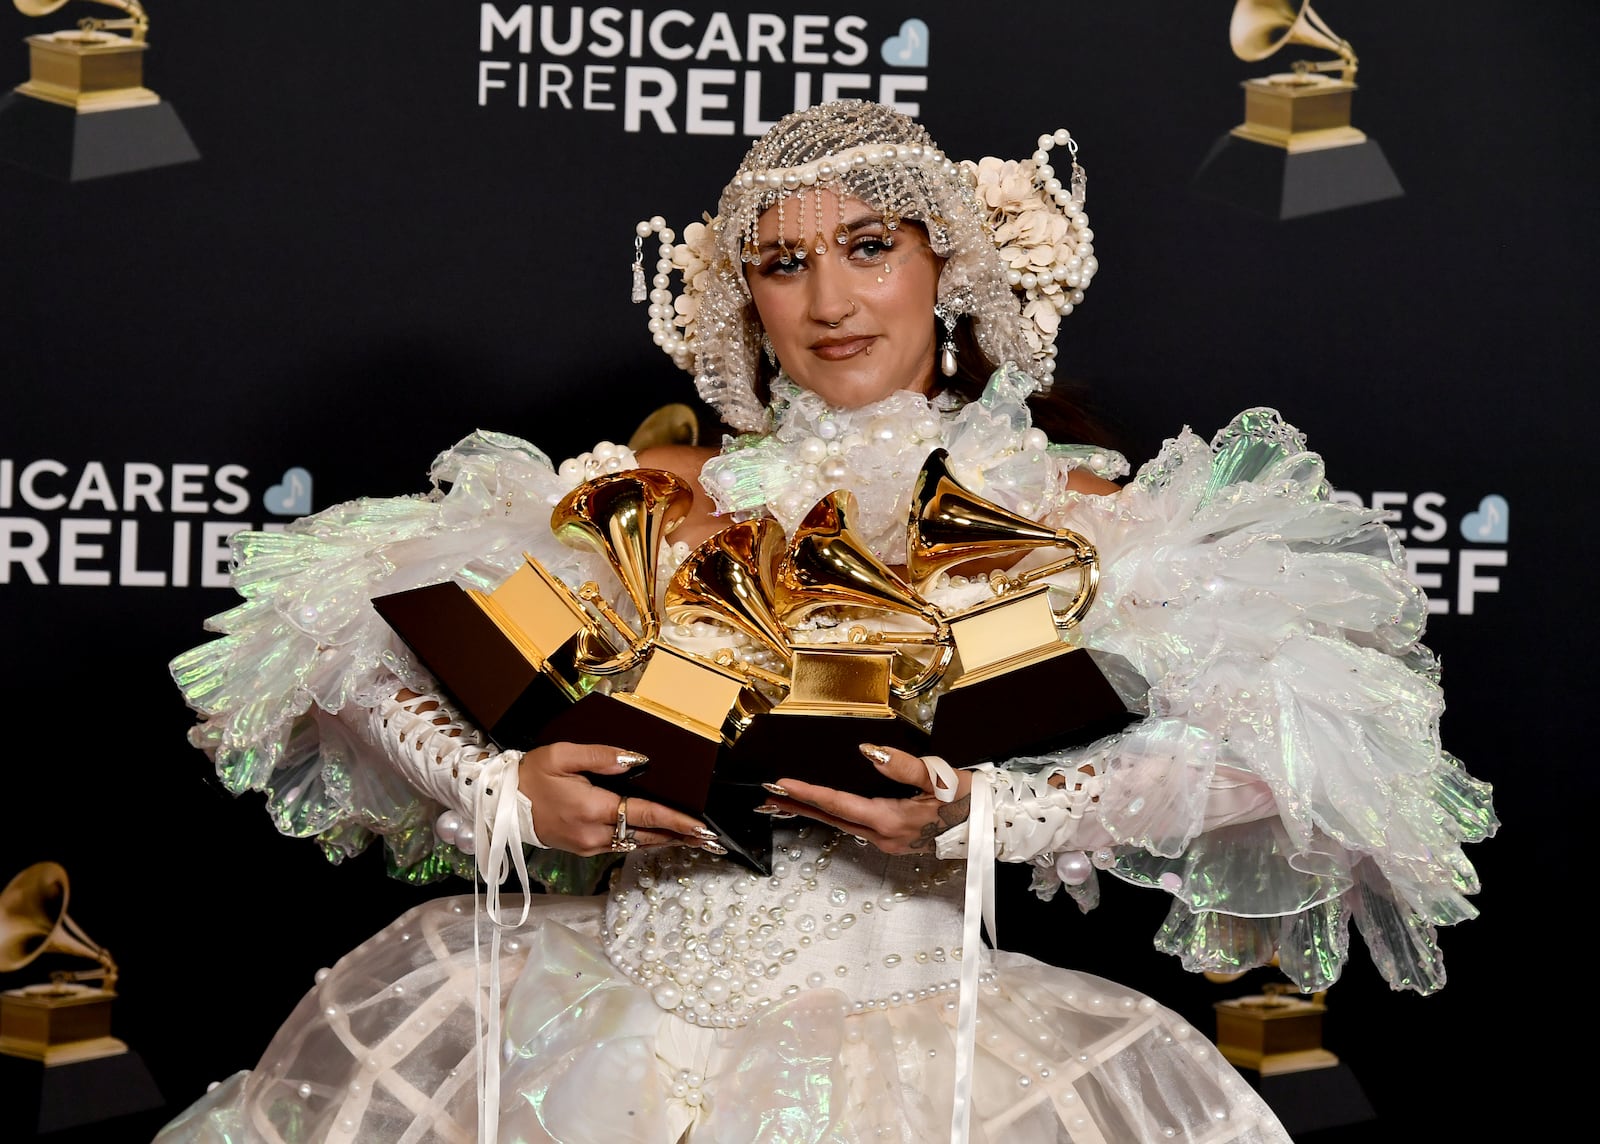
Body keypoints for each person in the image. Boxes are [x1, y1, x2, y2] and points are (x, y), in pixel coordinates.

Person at [156, 100, 1495, 1143]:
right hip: (576, 1028)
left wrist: (987, 814)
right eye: (784, 263)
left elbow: (1293, 756)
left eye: (868, 248)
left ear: (946, 266)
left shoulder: (1065, 509)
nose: (830, 301)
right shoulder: (655, 496)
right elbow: (325, 648)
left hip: (910, 1053)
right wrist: (504, 789)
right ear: (746, 297)